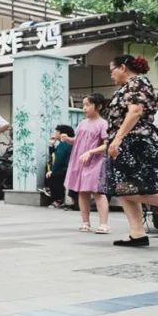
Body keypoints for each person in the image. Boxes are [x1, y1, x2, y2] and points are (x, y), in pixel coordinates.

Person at [104, 55, 158, 247]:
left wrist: (117, 139)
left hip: (134, 143)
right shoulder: (131, 86)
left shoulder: (136, 83)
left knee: (138, 189)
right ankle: (137, 233)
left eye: (112, 70)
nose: (111, 75)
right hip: (129, 142)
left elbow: (135, 111)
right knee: (125, 188)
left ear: (122, 68)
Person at [64, 93, 110, 234]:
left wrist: (91, 152)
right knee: (82, 192)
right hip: (80, 160)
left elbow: (107, 145)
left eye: (88, 105)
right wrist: (67, 139)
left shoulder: (103, 124)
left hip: (95, 162)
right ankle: (85, 222)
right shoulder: (82, 123)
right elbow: (77, 140)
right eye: (83, 105)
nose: (84, 108)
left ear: (99, 106)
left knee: (97, 192)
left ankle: (104, 224)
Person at [44, 124, 74, 208]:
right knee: (50, 173)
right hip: (66, 168)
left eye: (56, 132)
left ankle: (58, 200)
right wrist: (51, 145)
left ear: (62, 134)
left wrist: (53, 171)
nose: (55, 134)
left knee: (54, 176)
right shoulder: (63, 144)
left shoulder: (65, 144)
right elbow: (54, 156)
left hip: (65, 169)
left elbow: (59, 160)